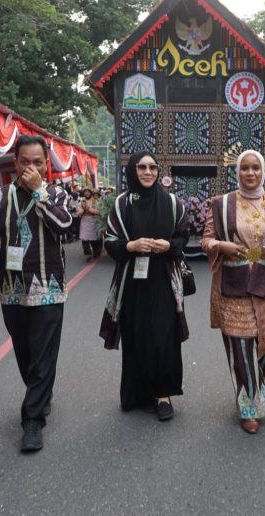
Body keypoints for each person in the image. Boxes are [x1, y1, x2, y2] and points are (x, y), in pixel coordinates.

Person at [0, 135, 72, 452]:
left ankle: (33, 421)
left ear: (46, 164)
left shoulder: (57, 194)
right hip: (11, 290)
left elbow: (64, 225)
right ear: (14, 163)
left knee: (43, 356)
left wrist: (40, 191)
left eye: (37, 162)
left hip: (49, 289)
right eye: (25, 162)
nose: (31, 168)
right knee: (25, 354)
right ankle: (40, 394)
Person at [200, 150, 265, 434]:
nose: (251, 173)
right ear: (237, 172)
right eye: (245, 168)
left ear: (263, 171)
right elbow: (206, 240)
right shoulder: (221, 204)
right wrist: (221, 246)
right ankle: (248, 406)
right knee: (241, 347)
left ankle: (256, 380)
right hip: (234, 283)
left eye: (256, 168)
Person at [100, 151, 189, 421]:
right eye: (142, 167)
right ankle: (137, 393)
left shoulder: (172, 203)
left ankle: (163, 394)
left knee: (163, 337)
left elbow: (183, 236)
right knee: (136, 336)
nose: (148, 172)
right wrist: (131, 245)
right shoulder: (122, 204)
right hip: (132, 282)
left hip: (163, 279)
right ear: (132, 170)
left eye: (152, 167)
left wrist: (168, 245)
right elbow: (110, 240)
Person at [77, 188, 102, 260]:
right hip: (84, 222)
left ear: (90, 193)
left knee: (94, 239)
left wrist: (88, 209)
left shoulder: (96, 201)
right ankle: (87, 253)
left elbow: (98, 212)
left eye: (88, 192)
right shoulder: (81, 202)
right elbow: (78, 213)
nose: (86, 193)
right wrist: (82, 210)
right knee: (84, 239)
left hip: (94, 221)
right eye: (85, 192)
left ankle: (96, 251)